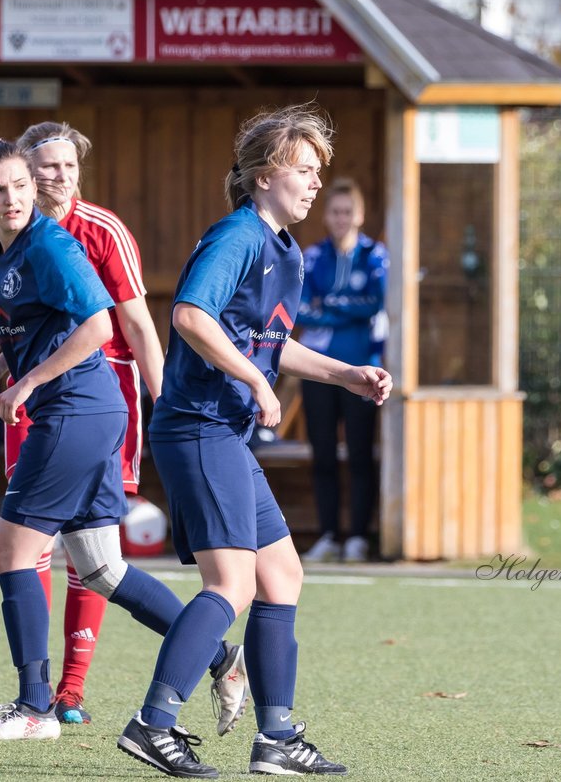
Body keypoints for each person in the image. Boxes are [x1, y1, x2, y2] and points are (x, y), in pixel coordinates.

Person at [116, 104, 392, 778]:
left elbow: (269, 343)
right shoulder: (237, 236)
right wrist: (257, 384)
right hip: (199, 427)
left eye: (317, 174)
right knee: (232, 583)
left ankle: (276, 739)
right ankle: (153, 724)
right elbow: (188, 317)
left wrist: (345, 374)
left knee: (282, 575)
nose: (313, 184)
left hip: (226, 434)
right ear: (266, 175)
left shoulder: (285, 250)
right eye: (304, 170)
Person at [0, 134, 245, 743]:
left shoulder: (50, 244)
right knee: (102, 567)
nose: (10, 197)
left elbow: (98, 326)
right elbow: (36, 329)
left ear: (33, 189)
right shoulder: (0, 250)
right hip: (84, 412)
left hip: (75, 413)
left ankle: (35, 708)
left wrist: (27, 382)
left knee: (12, 550)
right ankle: (222, 658)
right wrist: (0, 371)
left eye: (18, 185)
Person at [297, 177, 388, 563]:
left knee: (360, 453)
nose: (341, 219)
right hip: (318, 370)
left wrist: (330, 304)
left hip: (364, 370)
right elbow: (298, 308)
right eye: (334, 212)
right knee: (322, 454)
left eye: (347, 212)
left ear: (360, 215)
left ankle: (358, 537)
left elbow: (377, 303)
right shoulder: (312, 256)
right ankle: (329, 534)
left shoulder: (376, 256)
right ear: (325, 216)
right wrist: (348, 306)